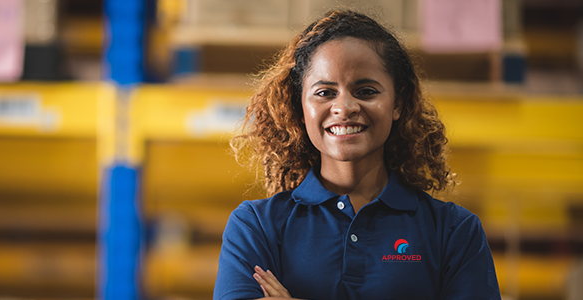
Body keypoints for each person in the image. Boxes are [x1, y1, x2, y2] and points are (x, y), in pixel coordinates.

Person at [214, 9, 501, 300]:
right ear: (300, 108)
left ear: (397, 103)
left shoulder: (454, 231)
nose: (345, 107)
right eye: (325, 93)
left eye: (365, 91)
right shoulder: (256, 226)